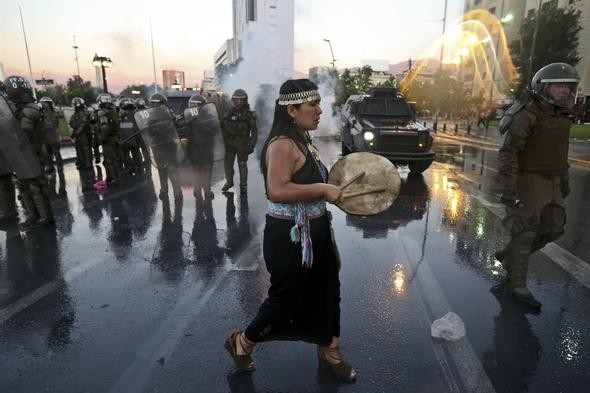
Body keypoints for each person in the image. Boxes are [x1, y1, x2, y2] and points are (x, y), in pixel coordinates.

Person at [224, 79, 356, 383]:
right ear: (292, 110)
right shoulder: (282, 143)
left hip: (316, 229)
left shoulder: (302, 139)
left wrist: (330, 196)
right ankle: (242, 342)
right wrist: (324, 188)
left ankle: (330, 351)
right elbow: (278, 189)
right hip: (291, 236)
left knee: (327, 291)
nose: (319, 110)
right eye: (313, 104)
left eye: (319, 103)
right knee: (287, 299)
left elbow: (305, 187)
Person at [496, 63, 579, 309]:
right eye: (559, 86)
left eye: (568, 86)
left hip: (552, 181)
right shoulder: (526, 115)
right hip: (529, 181)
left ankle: (509, 257)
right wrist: (510, 190)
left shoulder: (560, 117)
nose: (565, 91)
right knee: (525, 232)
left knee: (554, 228)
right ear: (543, 87)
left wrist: (563, 181)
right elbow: (508, 154)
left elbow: (559, 154)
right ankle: (516, 285)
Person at [3, 76, 54, 227]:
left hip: (31, 153)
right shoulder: (24, 110)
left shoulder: (28, 111)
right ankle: (33, 216)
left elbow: (23, 135)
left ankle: (45, 217)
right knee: (24, 186)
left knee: (35, 187)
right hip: (24, 155)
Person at [147, 93, 183, 201]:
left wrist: (157, 126)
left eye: (154, 103)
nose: (151, 105)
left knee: (172, 168)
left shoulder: (168, 114)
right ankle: (164, 189)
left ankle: (177, 190)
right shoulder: (151, 115)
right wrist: (149, 127)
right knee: (161, 169)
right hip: (157, 144)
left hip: (168, 145)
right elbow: (148, 130)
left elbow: (170, 128)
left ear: (160, 104)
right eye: (151, 103)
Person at [221, 89, 257, 194]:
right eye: (235, 100)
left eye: (240, 100)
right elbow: (222, 125)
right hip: (229, 142)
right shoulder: (229, 112)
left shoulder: (249, 114)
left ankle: (243, 185)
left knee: (242, 165)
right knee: (227, 165)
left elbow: (254, 132)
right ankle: (229, 182)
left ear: (244, 100)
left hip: (242, 143)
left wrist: (251, 145)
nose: (237, 102)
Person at [186, 94, 217, 202]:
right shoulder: (189, 116)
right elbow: (181, 129)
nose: (192, 107)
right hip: (194, 147)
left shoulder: (209, 116)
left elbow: (214, 131)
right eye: (192, 105)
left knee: (206, 169)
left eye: (194, 105)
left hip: (206, 147)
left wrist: (201, 124)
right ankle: (197, 188)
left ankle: (207, 190)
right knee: (196, 169)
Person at [96, 93, 121, 186]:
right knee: (113, 159)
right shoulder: (113, 111)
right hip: (115, 138)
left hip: (108, 139)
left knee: (110, 160)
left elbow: (105, 127)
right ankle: (111, 177)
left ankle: (114, 178)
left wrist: (102, 138)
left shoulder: (102, 112)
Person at [39, 96, 63, 172]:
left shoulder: (51, 114)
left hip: (52, 135)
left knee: (55, 152)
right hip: (47, 135)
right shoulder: (43, 114)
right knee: (47, 152)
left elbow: (53, 124)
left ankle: (58, 167)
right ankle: (51, 167)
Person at [69, 97, 93, 169]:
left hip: (85, 134)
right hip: (78, 134)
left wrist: (75, 133)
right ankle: (82, 162)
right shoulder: (75, 114)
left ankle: (88, 163)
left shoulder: (85, 113)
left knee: (86, 148)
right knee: (78, 148)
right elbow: (72, 124)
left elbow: (83, 124)